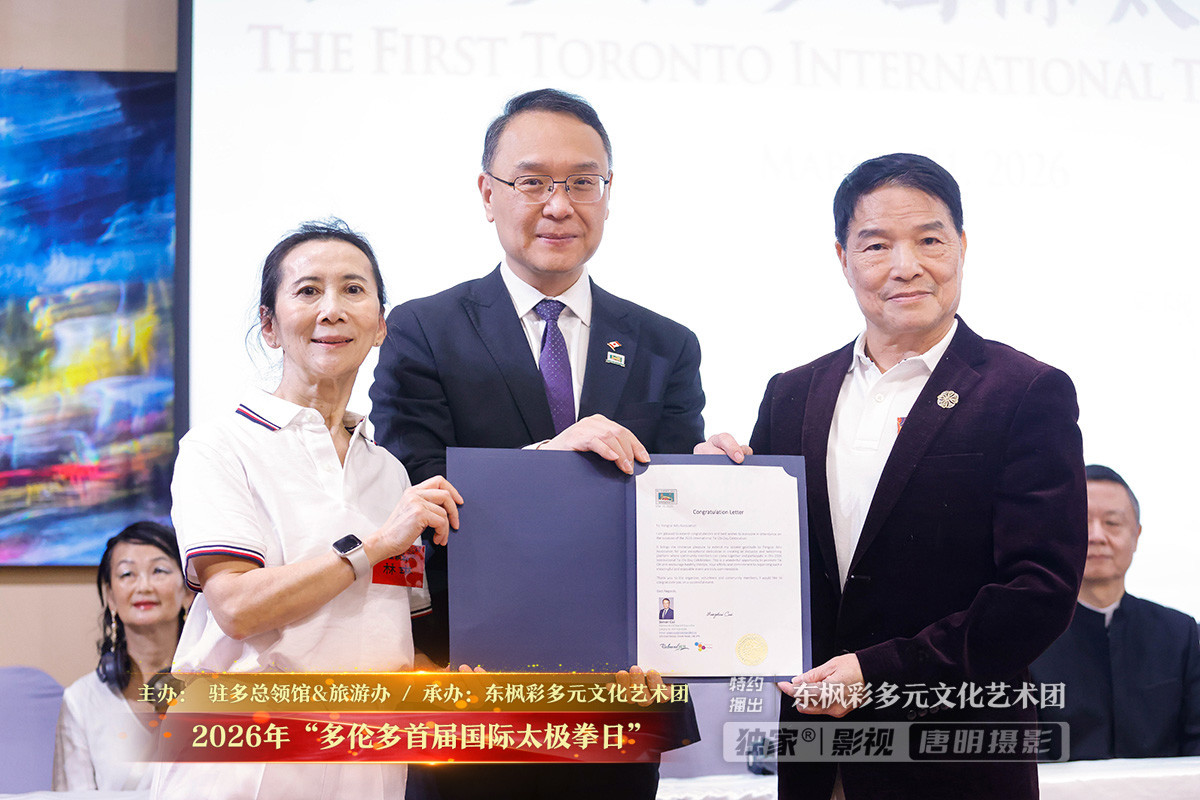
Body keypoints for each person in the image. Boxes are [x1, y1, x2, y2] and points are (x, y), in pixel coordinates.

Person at [699, 153, 1087, 799]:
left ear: (961, 246)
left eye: (929, 240)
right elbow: (768, 573)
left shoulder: (1024, 391)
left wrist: (879, 672)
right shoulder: (792, 393)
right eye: (877, 245)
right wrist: (713, 496)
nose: (906, 266)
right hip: (818, 756)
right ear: (843, 258)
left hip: (954, 760)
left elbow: (1039, 591)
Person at [369, 88, 702, 799]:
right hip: (469, 693)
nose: (559, 205)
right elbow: (416, 489)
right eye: (533, 182)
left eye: (583, 182)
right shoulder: (423, 331)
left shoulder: (665, 344)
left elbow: (669, 516)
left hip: (617, 701)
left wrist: (714, 483)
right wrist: (550, 457)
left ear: (608, 194)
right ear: (487, 194)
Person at [152, 220, 463, 800]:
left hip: (367, 766)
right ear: (269, 326)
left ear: (380, 325)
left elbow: (391, 639)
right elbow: (236, 608)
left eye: (353, 289)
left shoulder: (390, 473)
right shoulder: (220, 446)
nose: (332, 309)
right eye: (308, 290)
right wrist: (373, 546)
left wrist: (448, 686)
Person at [1031, 464, 1200, 759]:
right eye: (1082, 522)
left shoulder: (1181, 634)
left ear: (1136, 535)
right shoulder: (1030, 638)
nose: (1096, 536)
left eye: (1112, 522)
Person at [53, 521, 189, 791]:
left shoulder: (218, 686)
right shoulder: (81, 701)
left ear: (187, 590)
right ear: (111, 596)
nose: (144, 586)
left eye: (159, 571)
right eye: (127, 574)